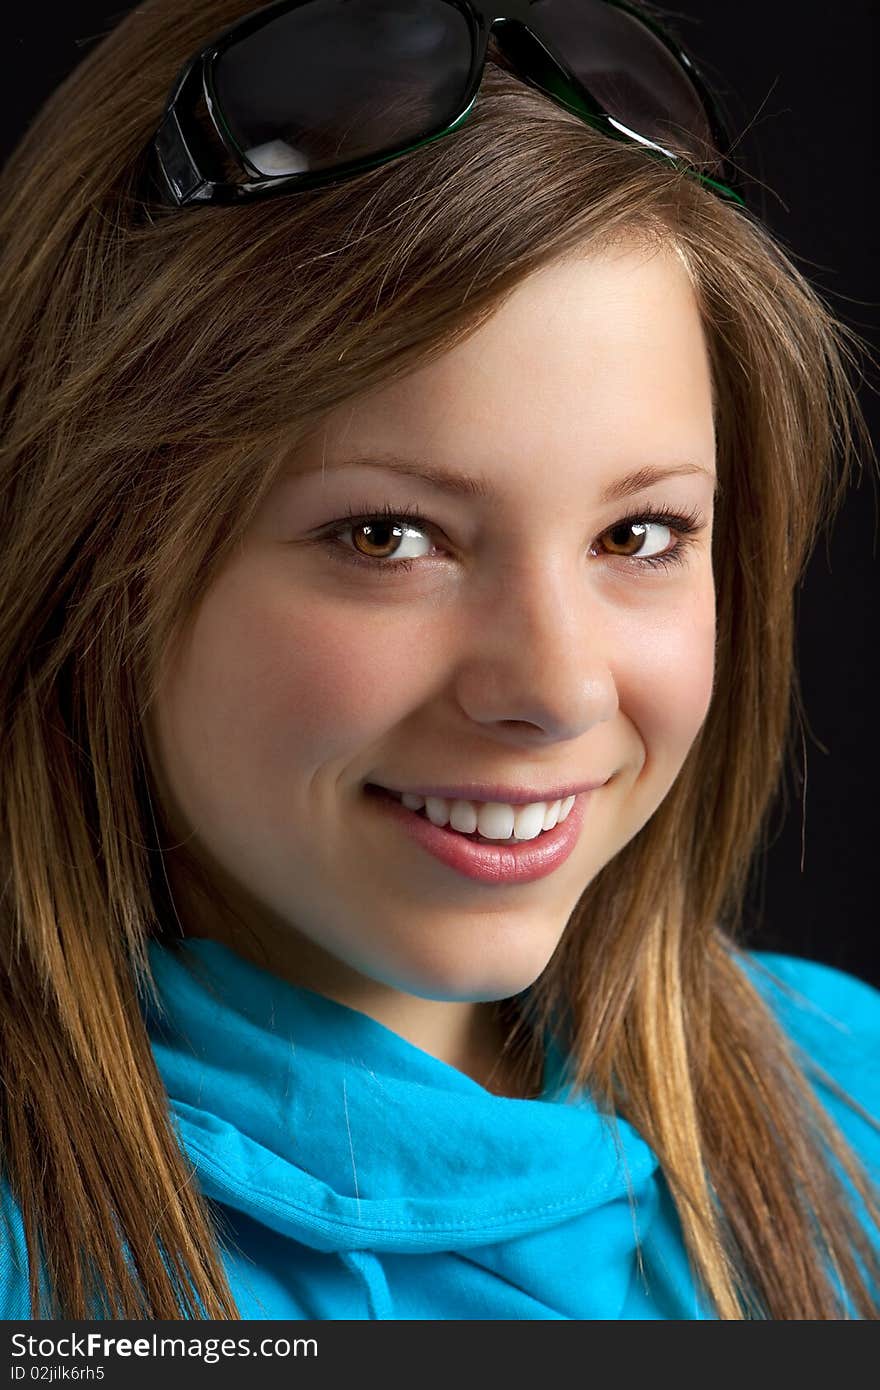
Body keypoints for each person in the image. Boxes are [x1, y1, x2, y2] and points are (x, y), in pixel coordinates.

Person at [0, 0, 877, 1322]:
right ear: (104, 553)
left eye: (640, 531)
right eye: (388, 533)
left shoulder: (852, 1100)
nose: (559, 689)